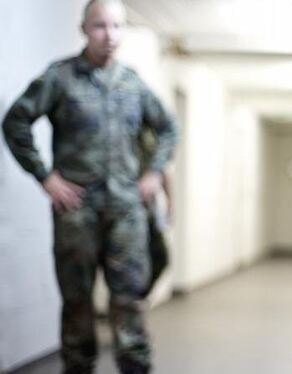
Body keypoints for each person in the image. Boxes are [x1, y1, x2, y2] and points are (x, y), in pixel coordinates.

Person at [1, 0, 178, 373]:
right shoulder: (60, 78)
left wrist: (154, 173)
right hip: (76, 212)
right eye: (100, 26)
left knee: (130, 303)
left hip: (126, 212)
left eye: (117, 26)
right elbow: (16, 121)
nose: (109, 35)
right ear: (84, 29)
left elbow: (167, 128)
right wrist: (45, 176)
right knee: (77, 305)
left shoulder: (133, 83)